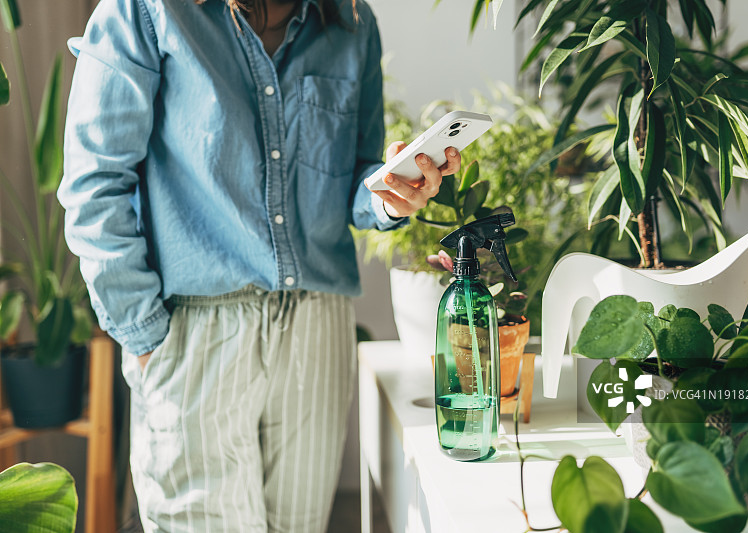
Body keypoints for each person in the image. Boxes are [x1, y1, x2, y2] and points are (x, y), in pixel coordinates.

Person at [58, 0, 461, 531]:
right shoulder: (146, 11)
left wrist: (392, 197)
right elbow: (94, 186)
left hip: (317, 330)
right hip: (196, 331)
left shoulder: (352, 22)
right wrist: (147, 336)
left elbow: (356, 179)